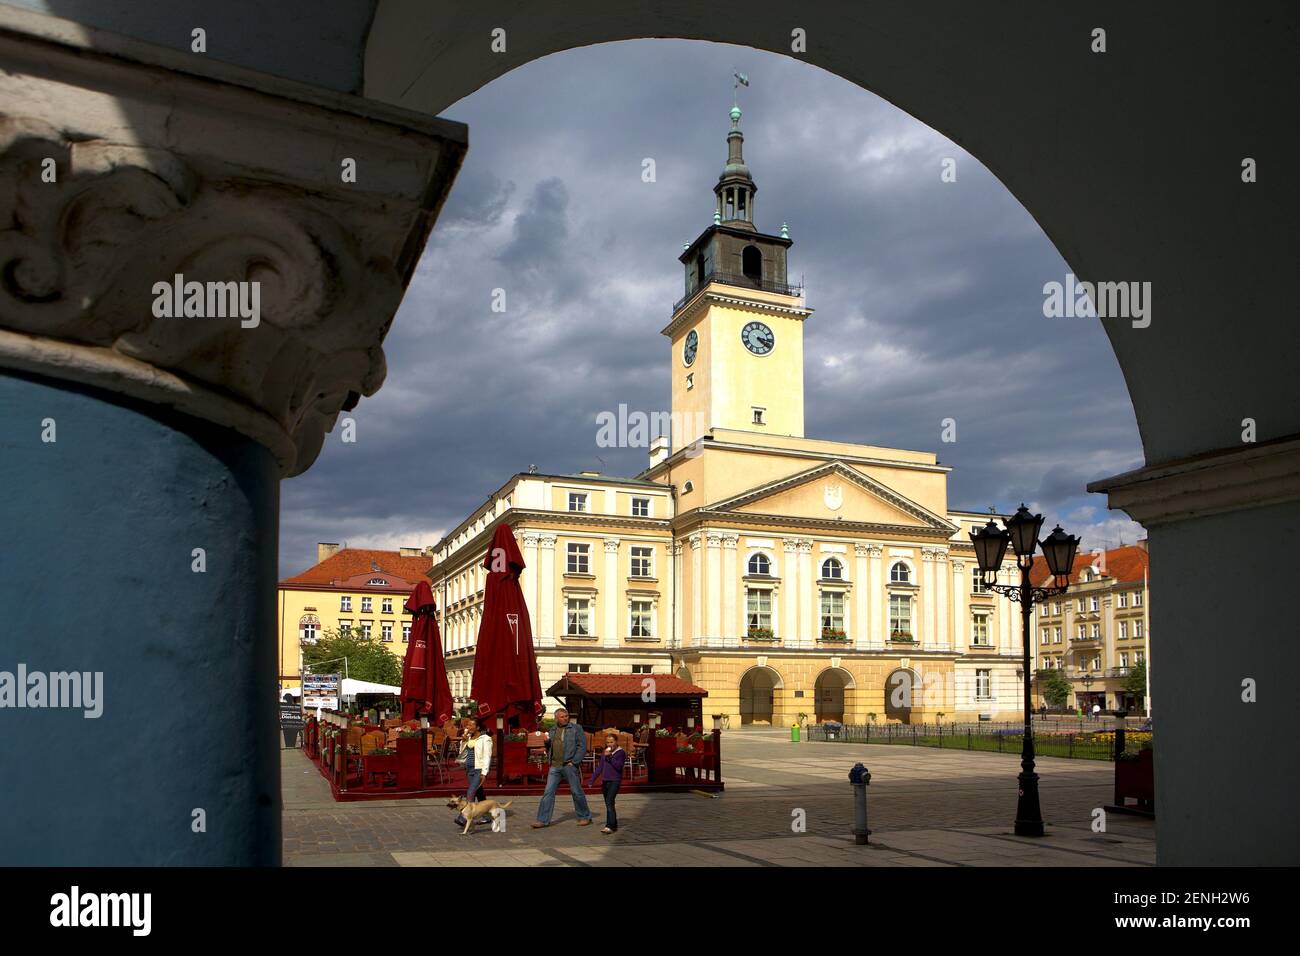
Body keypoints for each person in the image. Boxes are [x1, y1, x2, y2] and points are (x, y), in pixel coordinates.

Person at [531, 708, 593, 828]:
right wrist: (547, 743)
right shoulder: (553, 730)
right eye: (562, 717)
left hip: (569, 765)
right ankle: (542, 820)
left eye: (566, 716)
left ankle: (585, 816)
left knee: (576, 791)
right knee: (548, 793)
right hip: (555, 766)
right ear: (556, 718)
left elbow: (582, 746)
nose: (565, 718)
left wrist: (574, 762)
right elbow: (550, 748)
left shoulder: (576, 728)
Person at [454, 719, 492, 828]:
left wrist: (484, 773)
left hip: (478, 769)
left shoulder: (485, 739)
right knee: (479, 792)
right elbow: (462, 753)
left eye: (471, 725)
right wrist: (464, 741)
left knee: (471, 792)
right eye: (468, 725)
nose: (468, 726)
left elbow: (487, 756)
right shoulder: (469, 737)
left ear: (478, 727)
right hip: (469, 768)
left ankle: (463, 817)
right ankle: (487, 816)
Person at [588, 732, 626, 834]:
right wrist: (592, 779)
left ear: (616, 742)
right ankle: (614, 824)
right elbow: (600, 767)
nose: (609, 744)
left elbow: (618, 767)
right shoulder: (605, 752)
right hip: (605, 781)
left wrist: (610, 757)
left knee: (609, 802)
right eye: (608, 742)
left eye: (612, 742)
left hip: (615, 781)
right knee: (609, 804)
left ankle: (609, 826)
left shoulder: (621, 753)